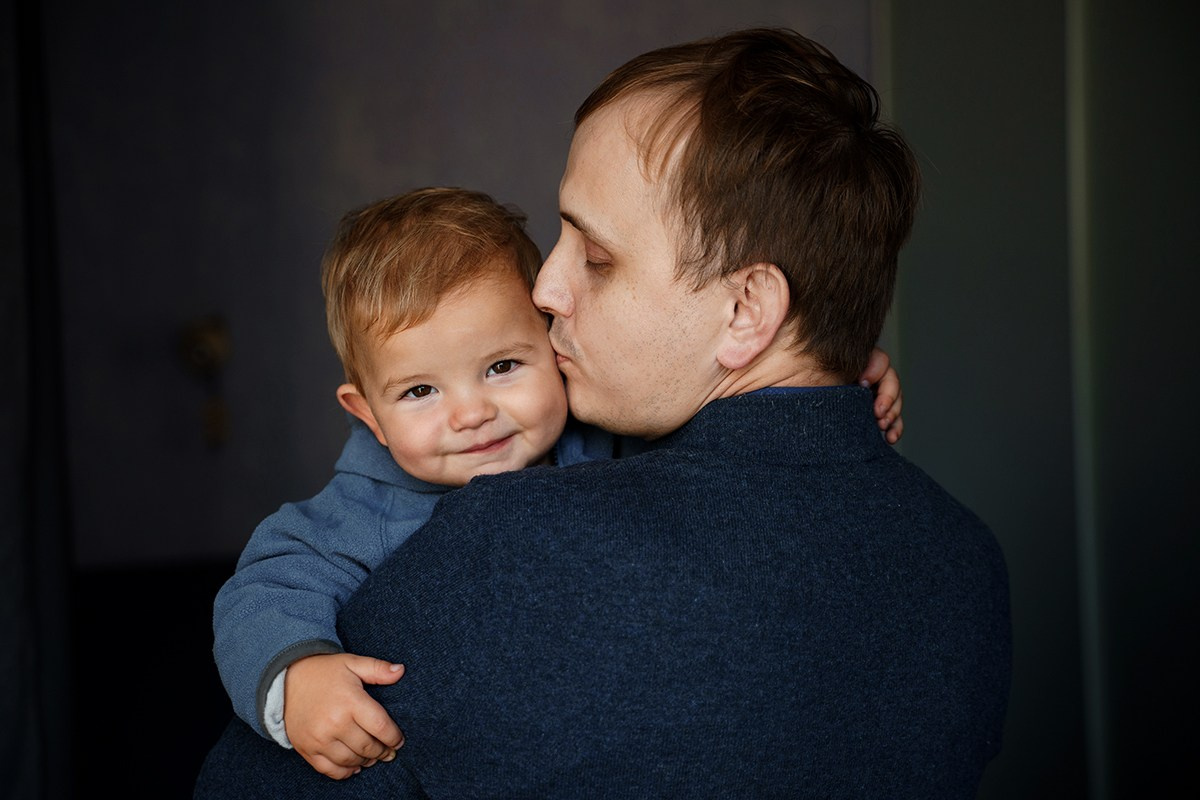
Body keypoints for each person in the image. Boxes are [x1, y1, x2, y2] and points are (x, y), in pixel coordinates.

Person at [197, 27, 1009, 799]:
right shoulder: (969, 569)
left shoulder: (511, 543)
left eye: (596, 257)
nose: (546, 292)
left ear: (745, 312)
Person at [211, 184, 908, 780]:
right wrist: (296, 679)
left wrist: (824, 381)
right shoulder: (353, 515)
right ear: (367, 414)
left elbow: (720, 419)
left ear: (553, 346)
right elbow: (260, 594)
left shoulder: (602, 437)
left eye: (502, 367)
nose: (471, 412)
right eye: (420, 390)